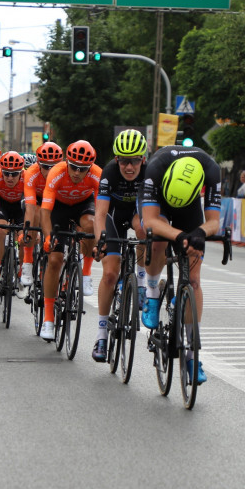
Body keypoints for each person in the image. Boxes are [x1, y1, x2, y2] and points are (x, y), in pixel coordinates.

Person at [138, 145, 223, 384]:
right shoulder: (155, 168)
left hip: (189, 207)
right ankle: (153, 294)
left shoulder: (211, 170)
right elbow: (150, 221)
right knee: (157, 244)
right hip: (159, 206)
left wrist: (198, 232)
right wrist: (178, 236)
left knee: (194, 280)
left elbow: (214, 222)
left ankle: (192, 356)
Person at [91, 129, 148, 362]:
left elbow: (149, 212)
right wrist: (100, 241)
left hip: (136, 213)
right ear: (117, 160)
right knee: (111, 275)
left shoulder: (149, 172)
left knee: (145, 229)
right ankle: (102, 334)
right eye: (124, 161)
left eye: (135, 161)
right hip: (113, 217)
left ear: (143, 159)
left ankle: (142, 281)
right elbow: (100, 214)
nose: (129, 167)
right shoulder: (109, 173)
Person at [38, 140, 101, 341]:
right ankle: (48, 319)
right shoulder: (56, 172)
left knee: (90, 224)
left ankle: (86, 272)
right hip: (59, 208)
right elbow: (45, 211)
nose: (76, 172)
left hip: (84, 205)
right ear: (67, 162)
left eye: (82, 169)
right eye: (73, 166)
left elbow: (102, 213)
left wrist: (100, 240)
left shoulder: (97, 175)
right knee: (55, 260)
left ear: (89, 168)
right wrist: (48, 238)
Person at [22, 141, 64, 288]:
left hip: (57, 202)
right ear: (38, 164)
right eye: (46, 167)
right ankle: (27, 262)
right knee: (36, 214)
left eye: (54, 167)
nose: (50, 171)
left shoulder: (66, 173)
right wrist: (26, 230)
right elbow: (30, 206)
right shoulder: (31, 174)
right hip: (37, 201)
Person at [0, 151, 26, 294]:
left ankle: (21, 275)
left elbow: (32, 207)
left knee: (25, 237)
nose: (9, 177)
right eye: (6, 173)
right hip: (2, 206)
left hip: (20, 208)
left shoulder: (27, 178)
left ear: (21, 172)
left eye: (14, 174)